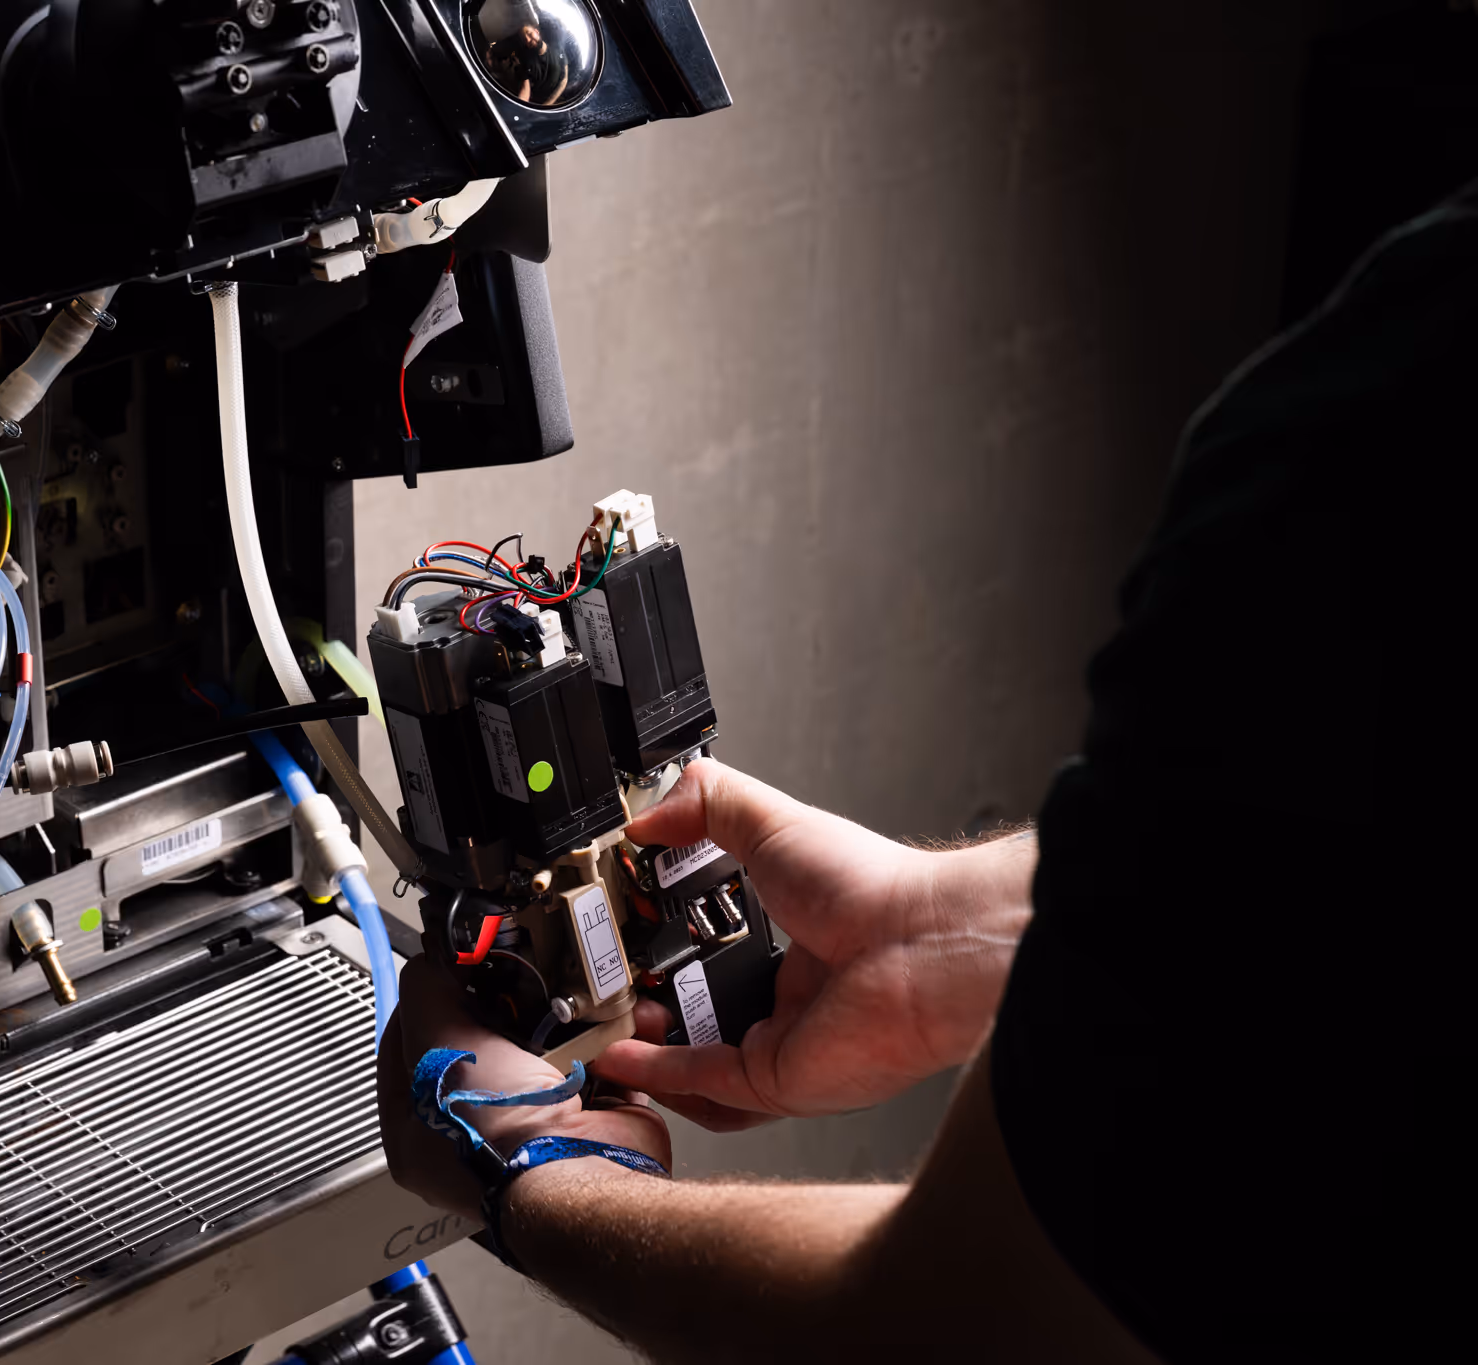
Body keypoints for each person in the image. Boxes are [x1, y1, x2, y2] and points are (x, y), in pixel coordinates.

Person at [378, 168, 1459, 1362]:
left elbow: (963, 1328)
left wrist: (533, 1170)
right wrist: (957, 923)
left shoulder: (1385, 419)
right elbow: (1354, 867)